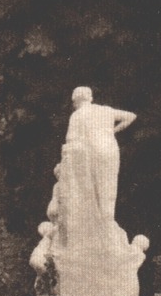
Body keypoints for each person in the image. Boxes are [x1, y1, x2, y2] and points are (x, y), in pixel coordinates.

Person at [57, 87, 137, 251]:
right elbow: (131, 116)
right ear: (90, 97)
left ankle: (95, 233)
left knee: (91, 191)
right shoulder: (105, 110)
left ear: (76, 100)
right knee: (108, 189)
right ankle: (108, 228)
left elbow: (70, 140)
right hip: (109, 149)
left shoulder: (77, 115)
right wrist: (112, 132)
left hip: (91, 152)